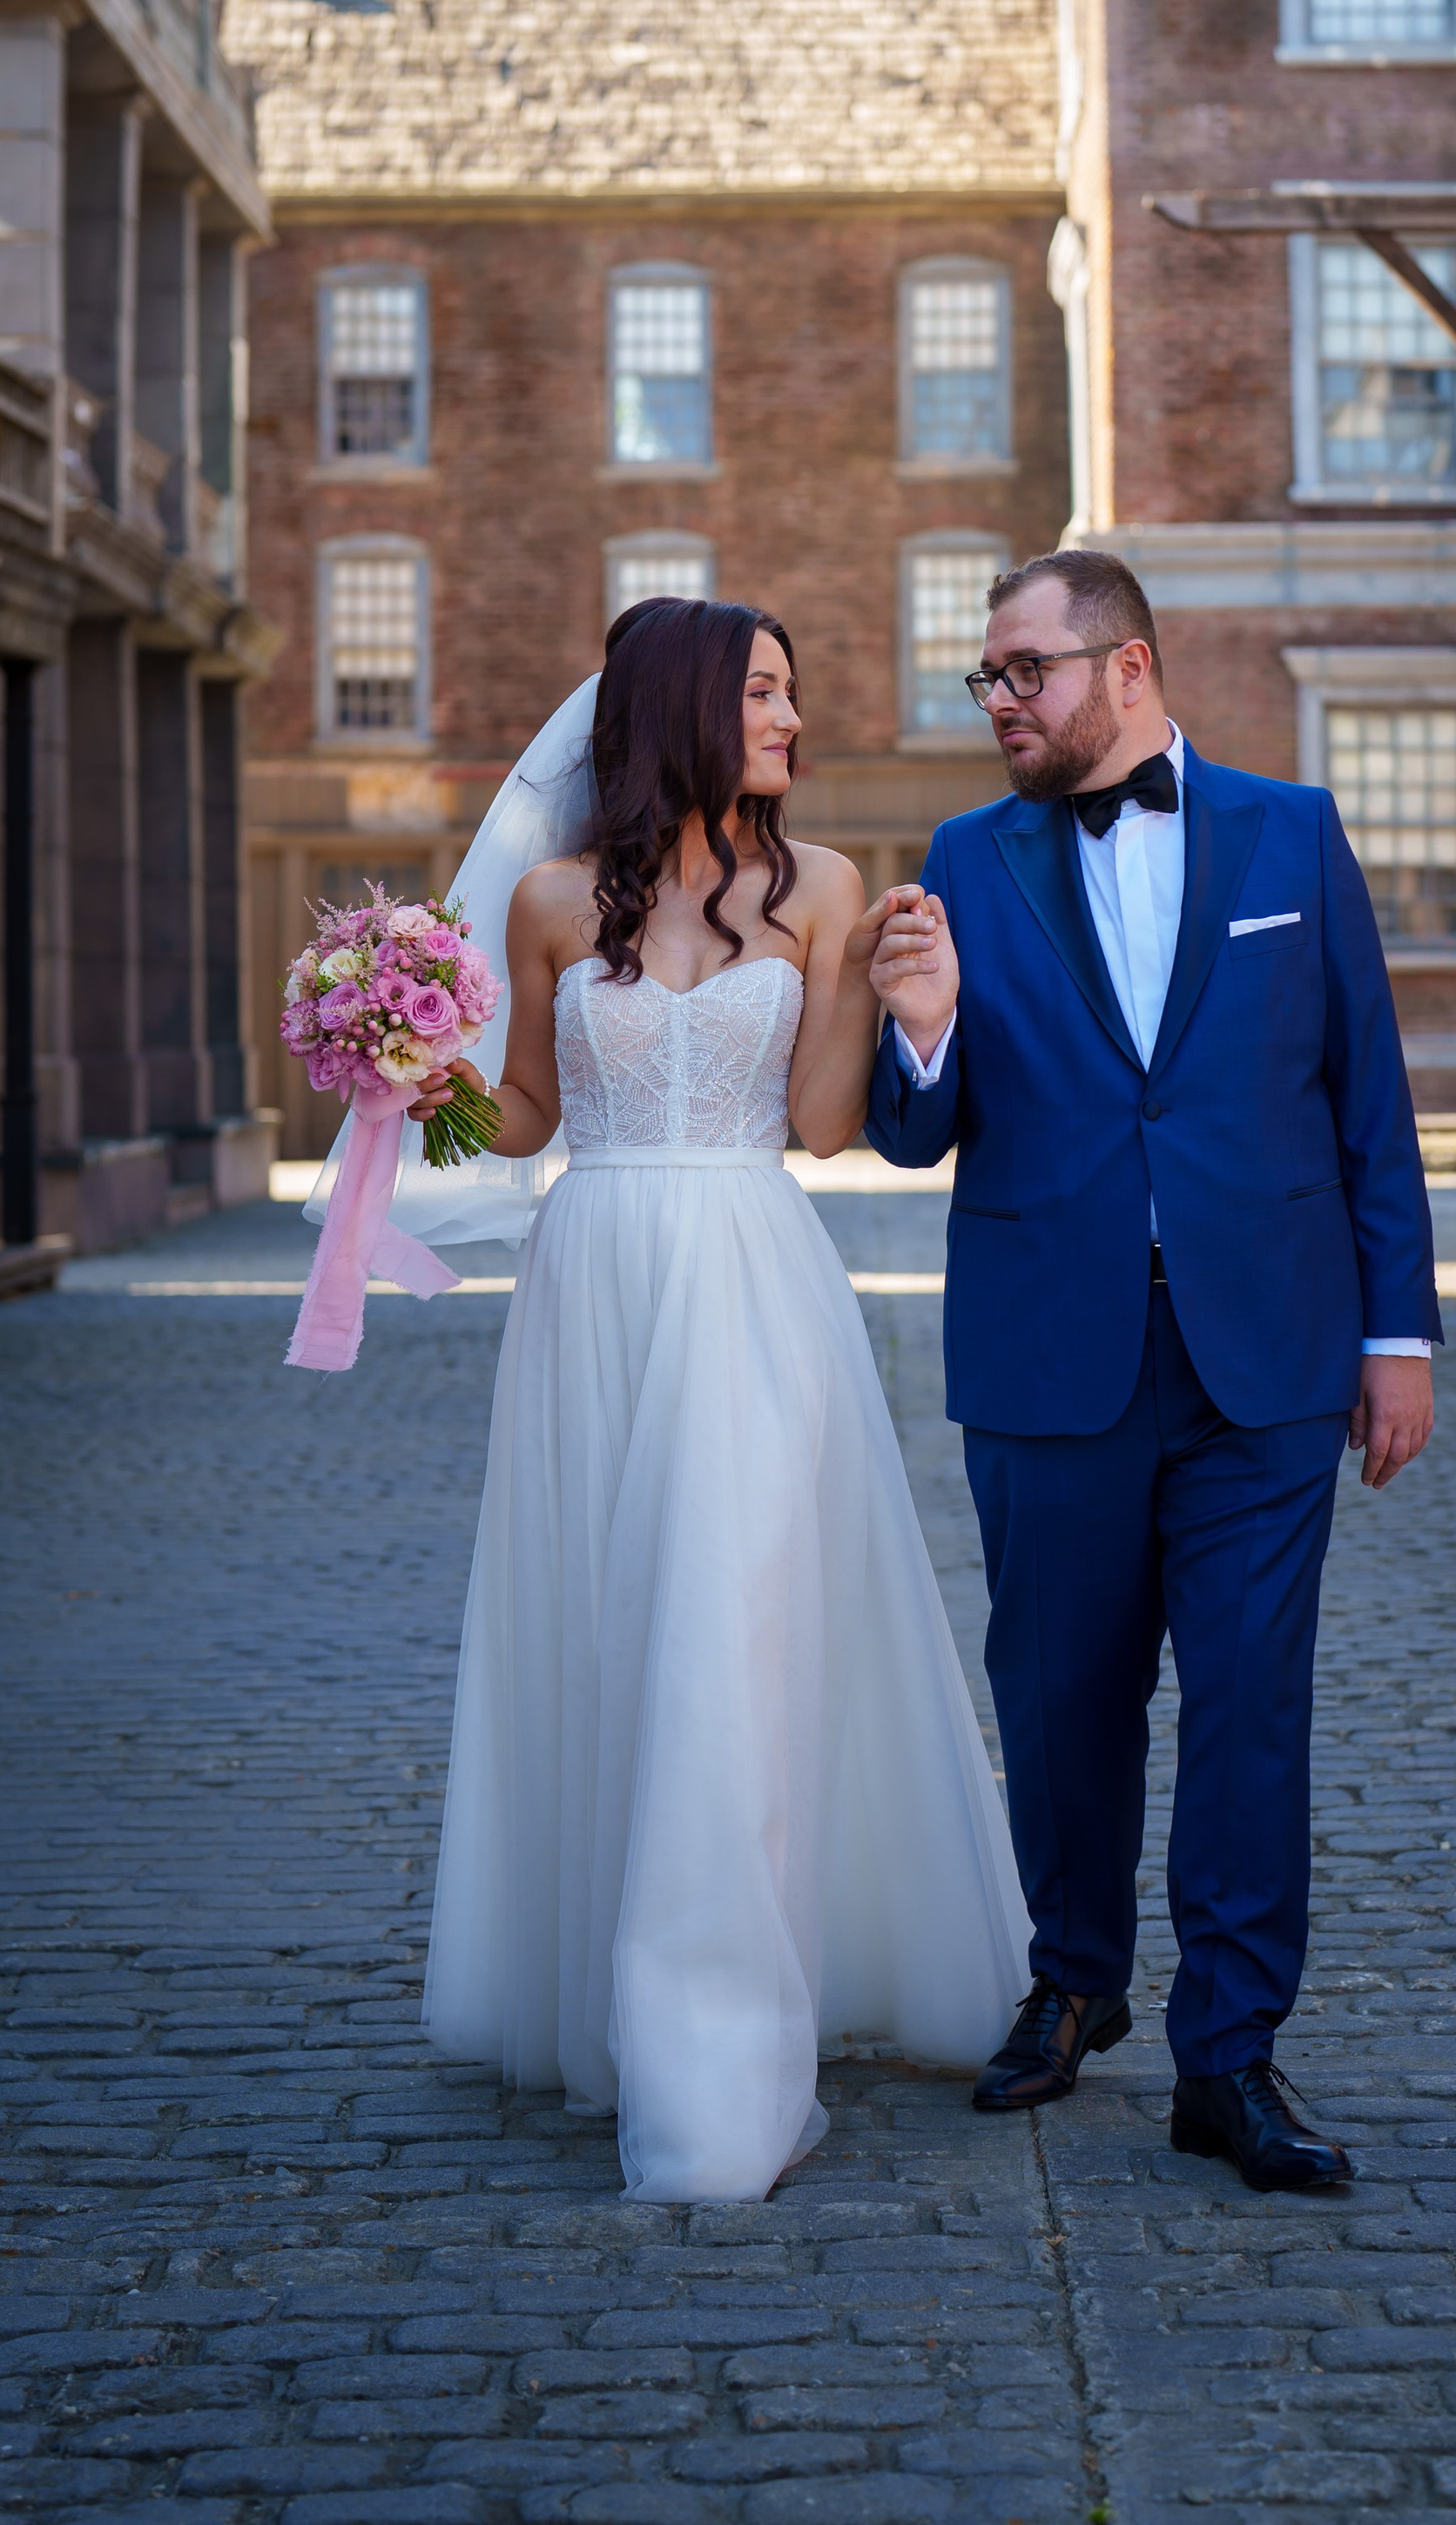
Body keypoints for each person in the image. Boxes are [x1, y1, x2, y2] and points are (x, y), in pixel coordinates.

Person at [412, 596, 1029, 2201]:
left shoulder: (820, 889)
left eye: (794, 693)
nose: (789, 720)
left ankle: (724, 2058)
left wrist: (909, 1017)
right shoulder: (551, 905)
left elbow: (823, 1123)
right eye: (763, 691)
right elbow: (527, 1115)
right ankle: (633, 2003)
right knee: (611, 1630)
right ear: (684, 705)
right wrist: (419, 1078)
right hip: (594, 1281)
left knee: (735, 1637)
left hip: (754, 1282)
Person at [863, 548, 1439, 2193]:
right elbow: (913, 1134)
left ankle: (1233, 2059)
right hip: (1053, 1355)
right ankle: (1073, 1982)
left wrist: (1395, 1339)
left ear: (1126, 670)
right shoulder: (963, 861)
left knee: (1253, 1709)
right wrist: (924, 1025)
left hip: (1268, 1359)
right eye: (985, 677)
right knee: (1058, 1697)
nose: (996, 701)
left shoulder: (1290, 835)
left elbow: (1368, 1108)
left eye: (1021, 671)